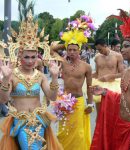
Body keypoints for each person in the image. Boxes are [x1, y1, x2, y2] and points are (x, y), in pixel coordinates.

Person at [90, 0, 130, 149]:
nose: (122, 50)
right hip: (120, 127)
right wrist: (105, 92)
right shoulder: (126, 72)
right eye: (121, 46)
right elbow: (123, 98)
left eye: (126, 46)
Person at [0, 10, 63, 150]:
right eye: (26, 57)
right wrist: (5, 79)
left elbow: (52, 97)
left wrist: (54, 77)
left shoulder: (40, 75)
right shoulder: (13, 74)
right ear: (20, 57)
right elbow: (3, 100)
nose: (30, 61)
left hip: (39, 120)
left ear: (38, 57)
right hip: (20, 121)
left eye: (33, 57)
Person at [53, 15, 95, 150]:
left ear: (79, 50)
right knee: (63, 132)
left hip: (79, 102)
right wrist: (67, 42)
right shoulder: (63, 63)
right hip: (64, 102)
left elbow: (89, 87)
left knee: (79, 134)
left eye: (74, 50)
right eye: (69, 49)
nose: (71, 52)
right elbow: (51, 50)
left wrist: (90, 103)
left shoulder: (86, 67)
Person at [92, 38, 124, 113]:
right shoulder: (97, 57)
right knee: (99, 113)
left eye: (100, 49)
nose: (99, 52)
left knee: (112, 112)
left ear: (105, 45)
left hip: (112, 86)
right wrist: (87, 75)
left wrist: (111, 76)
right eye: (97, 50)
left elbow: (123, 73)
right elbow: (97, 73)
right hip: (99, 84)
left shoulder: (117, 56)